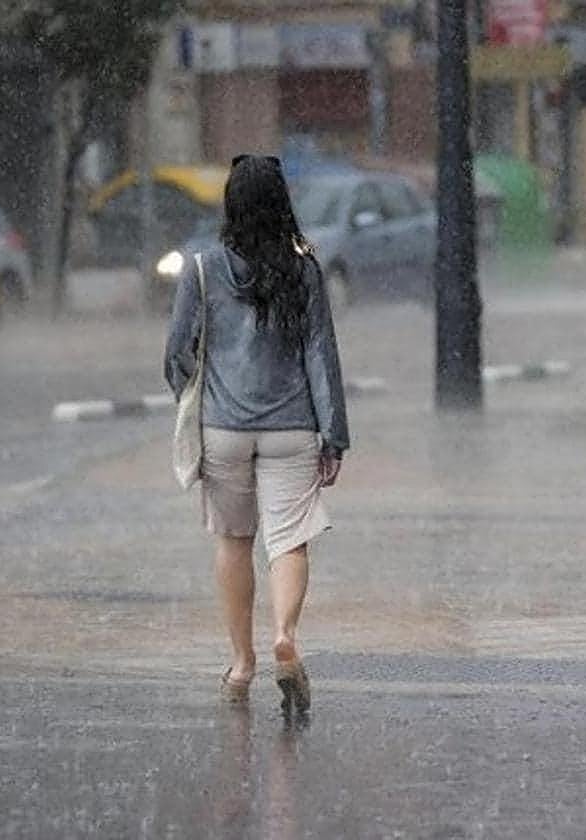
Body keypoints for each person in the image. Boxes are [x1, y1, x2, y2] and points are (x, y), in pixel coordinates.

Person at [164, 154, 349, 714]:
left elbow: (177, 355)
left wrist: (196, 401)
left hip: (224, 428)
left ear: (230, 204)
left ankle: (242, 664)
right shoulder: (305, 268)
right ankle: (285, 637)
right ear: (281, 202)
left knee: (233, 542)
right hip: (293, 426)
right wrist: (333, 431)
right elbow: (320, 354)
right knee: (288, 541)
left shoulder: (201, 268)